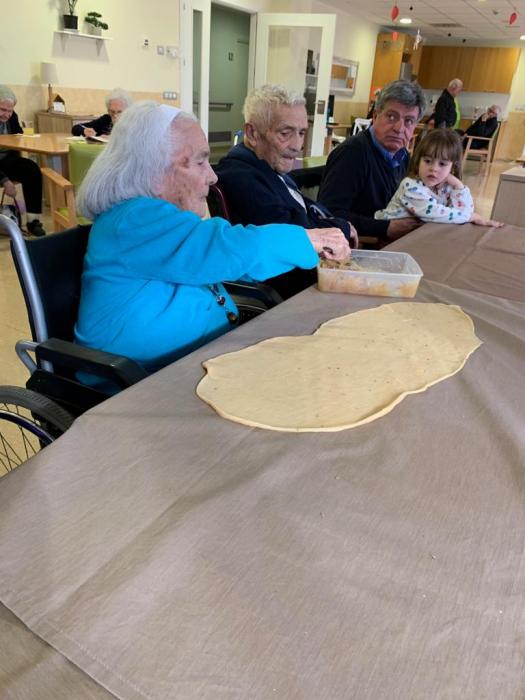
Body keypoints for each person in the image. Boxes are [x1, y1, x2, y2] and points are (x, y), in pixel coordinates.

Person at [75, 101, 350, 372]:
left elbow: (222, 261)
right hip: (139, 386)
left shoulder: (155, 219)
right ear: (156, 169)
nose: (212, 176)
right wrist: (308, 239)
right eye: (200, 161)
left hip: (191, 364)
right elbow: (223, 247)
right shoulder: (132, 220)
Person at [215, 84, 357, 298]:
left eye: (301, 133)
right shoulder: (240, 178)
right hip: (298, 293)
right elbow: (296, 234)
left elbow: (295, 198)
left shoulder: (264, 165)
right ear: (252, 133)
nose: (297, 145)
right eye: (285, 133)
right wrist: (342, 227)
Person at [317, 79, 426, 242]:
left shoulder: (403, 155)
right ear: (375, 116)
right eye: (391, 117)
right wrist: (385, 228)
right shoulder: (352, 153)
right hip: (361, 246)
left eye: (409, 121)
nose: (399, 128)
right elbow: (329, 213)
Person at [375, 129, 502, 227]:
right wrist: (472, 217)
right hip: (385, 239)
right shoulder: (410, 186)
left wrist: (458, 185)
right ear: (418, 161)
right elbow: (438, 215)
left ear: (453, 166)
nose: (434, 168)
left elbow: (465, 211)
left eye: (442, 164)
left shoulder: (447, 187)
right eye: (427, 161)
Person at [0, 85, 46, 236]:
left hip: (6, 159)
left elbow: (18, 135)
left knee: (32, 169)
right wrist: (5, 181)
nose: (6, 114)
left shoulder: (12, 116)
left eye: (10, 110)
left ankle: (33, 220)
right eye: (2, 110)